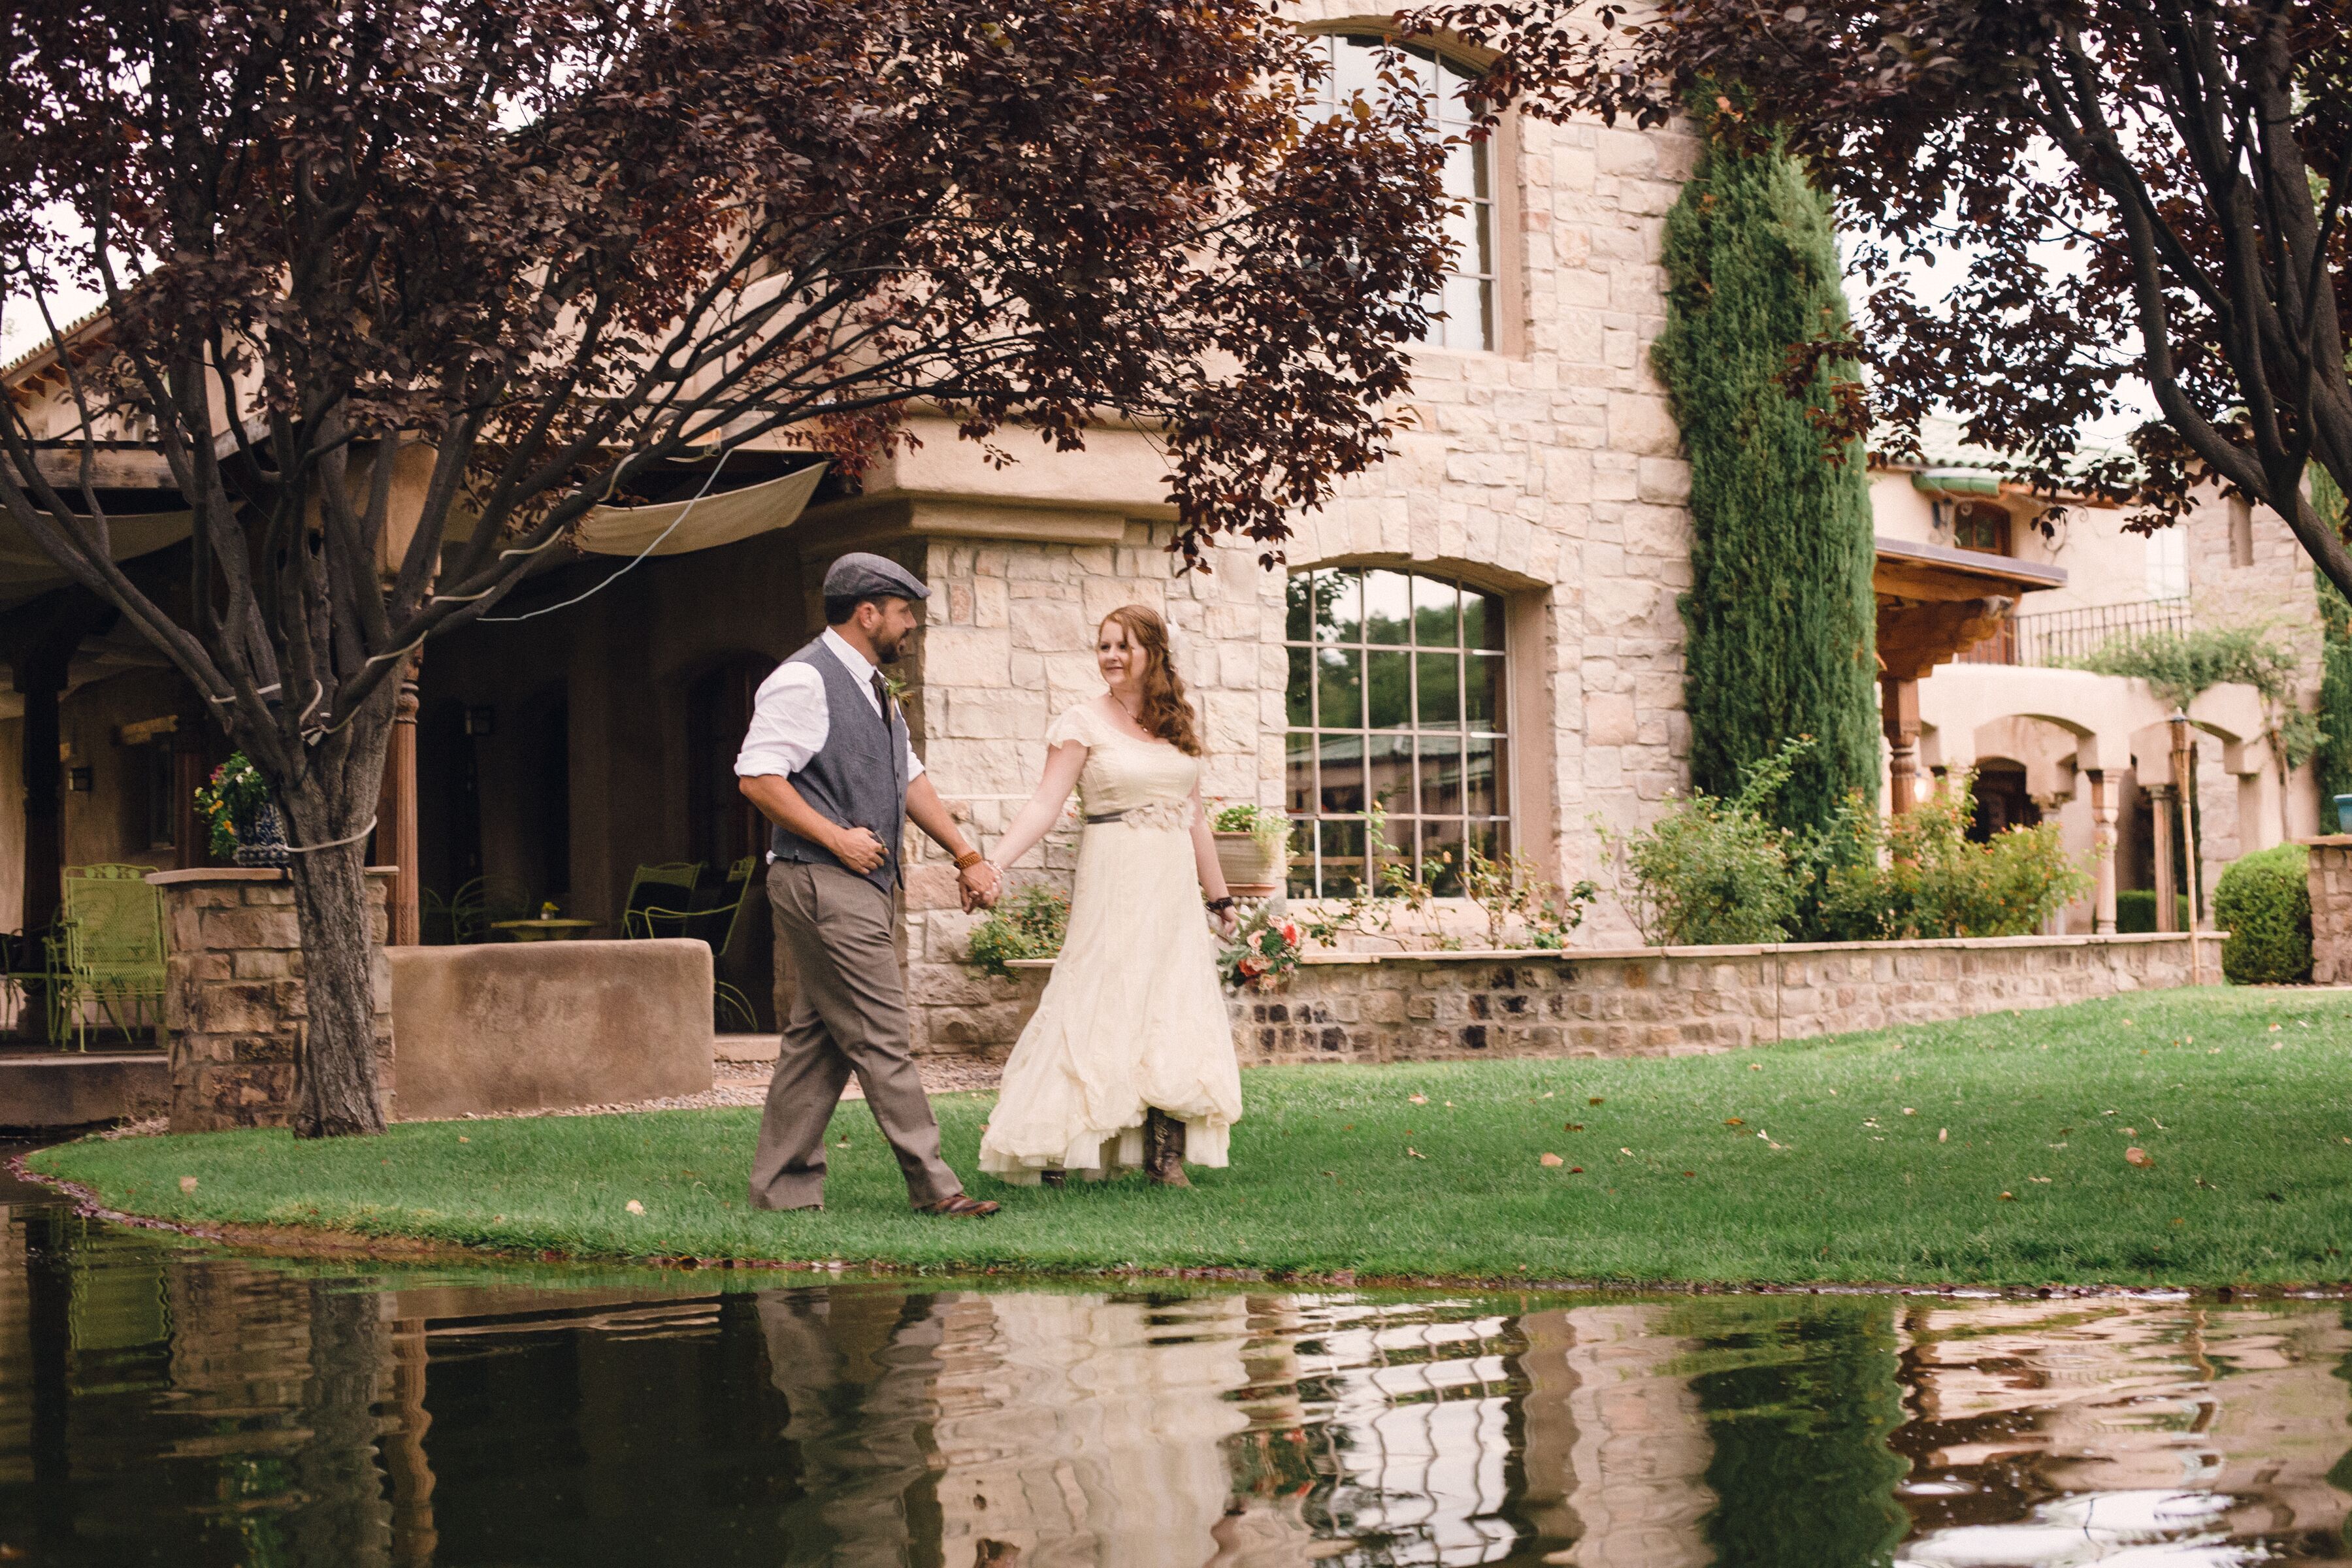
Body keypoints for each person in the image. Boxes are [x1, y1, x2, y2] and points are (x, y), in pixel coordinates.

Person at [736, 551, 1004, 1217]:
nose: (910, 626)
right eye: (903, 613)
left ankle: (782, 1191)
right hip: (822, 878)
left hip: (860, 884)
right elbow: (757, 777)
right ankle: (936, 1188)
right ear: (868, 614)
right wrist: (835, 835)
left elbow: (908, 778)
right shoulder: (803, 681)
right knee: (882, 1029)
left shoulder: (874, 689)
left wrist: (967, 855)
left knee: (819, 1041)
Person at [976, 604, 1243, 1188]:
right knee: (1095, 997)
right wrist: (994, 861)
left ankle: (1164, 1158)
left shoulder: (1179, 723)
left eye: (1124, 645)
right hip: (1115, 878)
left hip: (1170, 886)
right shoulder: (1081, 721)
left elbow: (1196, 819)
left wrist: (1220, 901)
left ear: (1154, 652)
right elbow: (1045, 804)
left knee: (1171, 1003)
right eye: (1104, 646)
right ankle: (1055, 1145)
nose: (1112, 657)